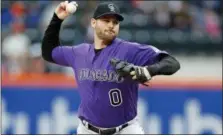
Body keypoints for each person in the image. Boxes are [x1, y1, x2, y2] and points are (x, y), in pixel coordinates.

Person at [41, 1, 180, 134]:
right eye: (106, 20)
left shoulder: (129, 50)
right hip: (87, 130)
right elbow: (48, 53)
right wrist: (57, 19)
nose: (111, 25)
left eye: (115, 22)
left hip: (125, 130)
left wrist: (148, 71)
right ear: (93, 23)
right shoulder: (79, 52)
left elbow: (172, 62)